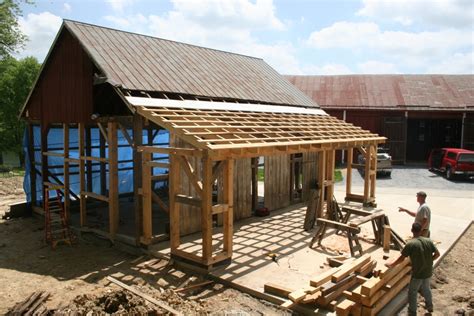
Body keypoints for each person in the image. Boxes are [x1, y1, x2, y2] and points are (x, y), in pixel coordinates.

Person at [385, 222, 440, 316]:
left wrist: (391, 265)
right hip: (428, 270)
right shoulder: (428, 241)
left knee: (412, 292)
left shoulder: (411, 244)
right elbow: (437, 254)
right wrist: (429, 261)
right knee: (426, 288)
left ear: (412, 231)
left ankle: (412, 312)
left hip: (418, 273)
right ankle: (430, 306)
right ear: (421, 231)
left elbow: (402, 258)